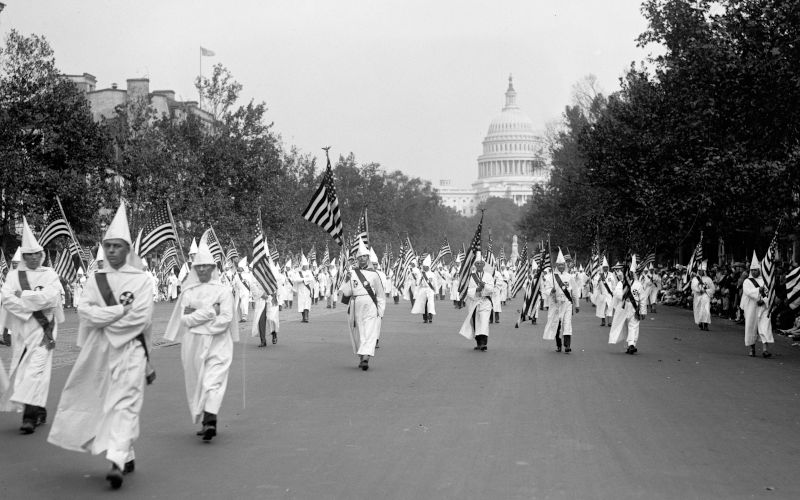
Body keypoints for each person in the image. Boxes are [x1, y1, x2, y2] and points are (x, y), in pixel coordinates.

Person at [48, 202, 155, 490]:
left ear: (127, 249)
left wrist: (106, 319)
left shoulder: (142, 282)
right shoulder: (97, 279)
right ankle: (126, 451)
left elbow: (140, 320)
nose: (111, 251)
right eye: (107, 246)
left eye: (117, 246)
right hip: (100, 353)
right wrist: (117, 312)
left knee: (125, 402)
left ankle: (117, 461)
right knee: (107, 402)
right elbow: (85, 311)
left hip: (131, 350)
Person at [164, 241, 239, 441]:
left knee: (212, 381)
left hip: (219, 343)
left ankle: (210, 420)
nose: (203, 269)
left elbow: (225, 320)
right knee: (197, 382)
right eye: (199, 266)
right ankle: (206, 418)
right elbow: (185, 319)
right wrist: (210, 312)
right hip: (193, 345)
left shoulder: (223, 291)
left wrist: (198, 316)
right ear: (195, 269)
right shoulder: (188, 292)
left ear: (213, 268)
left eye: (207, 265)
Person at [0, 217, 64, 434]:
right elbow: (7, 299)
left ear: (41, 254)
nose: (34, 257)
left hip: (44, 330)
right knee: (27, 371)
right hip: (22, 331)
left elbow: (51, 298)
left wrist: (24, 295)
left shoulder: (50, 274)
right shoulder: (13, 276)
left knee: (35, 371)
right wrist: (32, 301)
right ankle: (39, 408)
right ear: (24, 256)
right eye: (29, 254)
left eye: (37, 253)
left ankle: (28, 417)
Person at [339, 240, 385, 370]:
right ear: (357, 259)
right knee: (358, 331)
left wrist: (380, 311)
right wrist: (347, 279)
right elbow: (347, 291)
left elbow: (380, 295)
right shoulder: (352, 273)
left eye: (365, 256)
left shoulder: (374, 275)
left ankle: (366, 358)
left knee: (369, 330)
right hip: (355, 305)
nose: (362, 259)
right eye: (360, 257)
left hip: (370, 305)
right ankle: (361, 355)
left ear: (368, 258)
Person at [542, 248, 580, 353]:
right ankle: (558, 345)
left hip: (567, 303)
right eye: (559, 265)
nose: (561, 266)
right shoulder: (551, 277)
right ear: (556, 266)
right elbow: (546, 290)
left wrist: (577, 305)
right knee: (557, 324)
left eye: (563, 264)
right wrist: (551, 290)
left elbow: (575, 292)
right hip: (556, 303)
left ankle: (567, 345)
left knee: (567, 323)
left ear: (565, 265)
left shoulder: (570, 277)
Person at [609, 256, 647, 354]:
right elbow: (617, 294)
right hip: (624, 307)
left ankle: (631, 345)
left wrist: (642, 311)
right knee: (627, 326)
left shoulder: (636, 284)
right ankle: (630, 343)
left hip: (632, 308)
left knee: (633, 325)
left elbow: (643, 299)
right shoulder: (622, 284)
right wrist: (624, 295)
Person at [458, 251, 495, 351]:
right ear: (475, 265)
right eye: (477, 264)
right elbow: (468, 290)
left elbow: (492, 289)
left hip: (485, 302)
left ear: (484, 265)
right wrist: (476, 290)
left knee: (483, 321)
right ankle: (478, 343)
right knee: (475, 322)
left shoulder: (488, 276)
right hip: (474, 302)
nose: (479, 265)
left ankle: (483, 343)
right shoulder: (471, 277)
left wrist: (484, 286)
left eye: (480, 263)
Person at [741, 252, 774, 358]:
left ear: (759, 270)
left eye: (755, 270)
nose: (754, 272)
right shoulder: (747, 281)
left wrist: (764, 300)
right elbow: (748, 292)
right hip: (751, 307)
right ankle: (752, 348)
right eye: (752, 270)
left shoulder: (765, 280)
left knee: (765, 326)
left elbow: (769, 292)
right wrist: (758, 290)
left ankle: (765, 349)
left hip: (763, 307)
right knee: (751, 327)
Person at [252, 263, 280, 347]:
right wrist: (260, 294)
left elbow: (276, 284)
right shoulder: (256, 272)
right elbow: (252, 285)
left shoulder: (272, 271)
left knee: (271, 318)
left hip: (271, 298)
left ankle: (274, 333)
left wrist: (275, 296)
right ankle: (263, 340)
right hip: (261, 298)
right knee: (261, 319)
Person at [411, 255, 438, 323]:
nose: (425, 268)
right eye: (424, 267)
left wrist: (436, 292)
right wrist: (419, 280)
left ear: (428, 267)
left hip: (430, 290)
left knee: (430, 304)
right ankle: (425, 318)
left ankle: (430, 317)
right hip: (423, 290)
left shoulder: (432, 274)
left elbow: (435, 284)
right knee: (424, 304)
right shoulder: (421, 274)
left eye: (426, 267)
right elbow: (418, 283)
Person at [691, 261, 715, 331]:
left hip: (705, 296)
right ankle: (700, 322)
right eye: (700, 271)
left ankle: (706, 324)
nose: (701, 272)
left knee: (706, 310)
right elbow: (693, 287)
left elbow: (712, 288)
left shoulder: (708, 279)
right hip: (698, 296)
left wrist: (706, 291)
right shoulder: (695, 279)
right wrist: (699, 290)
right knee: (699, 310)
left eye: (702, 271)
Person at [593, 257, 616, 326]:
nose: (605, 268)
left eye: (606, 267)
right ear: (602, 268)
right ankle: (603, 321)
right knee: (602, 308)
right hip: (602, 294)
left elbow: (614, 285)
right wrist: (598, 280)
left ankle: (609, 322)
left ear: (608, 267)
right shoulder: (599, 275)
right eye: (604, 267)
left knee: (609, 308)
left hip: (609, 294)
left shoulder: (611, 275)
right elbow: (594, 284)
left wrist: (613, 293)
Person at [293, 255, 314, 323]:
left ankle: (306, 317)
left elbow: (311, 279)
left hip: (307, 290)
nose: (305, 267)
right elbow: (296, 279)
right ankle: (303, 317)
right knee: (301, 303)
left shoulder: (309, 272)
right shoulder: (298, 272)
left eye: (306, 265)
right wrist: (304, 279)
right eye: (304, 265)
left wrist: (303, 280)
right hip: (301, 290)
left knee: (307, 303)